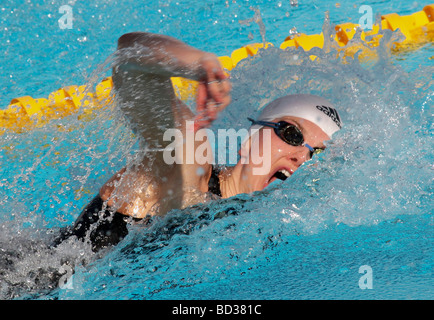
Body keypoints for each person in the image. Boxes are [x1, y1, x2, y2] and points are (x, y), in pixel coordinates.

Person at [55, 32, 342, 252]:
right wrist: (197, 63)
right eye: (292, 134)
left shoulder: (259, 233)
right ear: (250, 138)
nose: (301, 158)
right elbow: (130, 58)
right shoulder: (190, 166)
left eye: (315, 155)